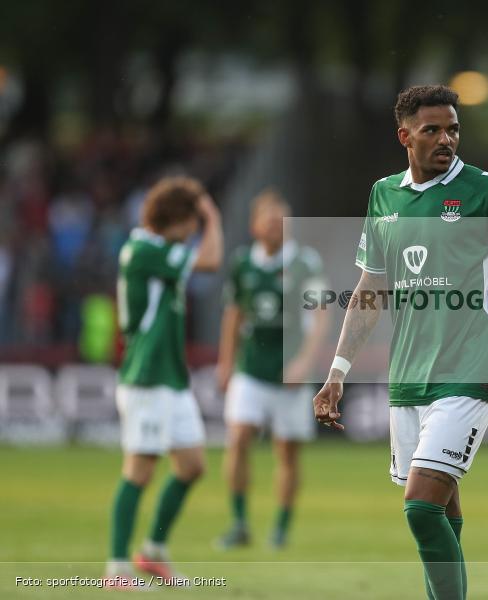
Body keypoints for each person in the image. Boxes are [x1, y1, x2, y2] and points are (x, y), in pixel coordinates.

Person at [313, 84, 488, 600]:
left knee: (419, 506)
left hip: (467, 374)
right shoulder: (383, 195)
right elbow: (370, 291)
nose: (447, 139)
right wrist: (336, 372)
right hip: (408, 380)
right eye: (432, 130)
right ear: (405, 137)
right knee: (441, 510)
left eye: (454, 129)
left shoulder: (487, 191)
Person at [104, 176, 223, 588]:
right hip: (146, 376)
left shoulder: (162, 251)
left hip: (171, 378)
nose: (195, 229)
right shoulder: (142, 250)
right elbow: (210, 260)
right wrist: (213, 216)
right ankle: (116, 568)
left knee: (191, 465)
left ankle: (151, 552)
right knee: (139, 469)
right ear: (179, 217)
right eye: (192, 219)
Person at [216, 189, 329, 549]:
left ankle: (280, 527)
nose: (277, 227)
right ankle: (239, 523)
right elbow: (233, 315)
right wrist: (224, 362)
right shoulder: (242, 263)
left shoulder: (305, 264)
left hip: (290, 374)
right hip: (250, 368)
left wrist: (305, 362)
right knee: (237, 438)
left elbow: (323, 316)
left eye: (282, 221)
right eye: (269, 220)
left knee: (287, 451)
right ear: (255, 226)